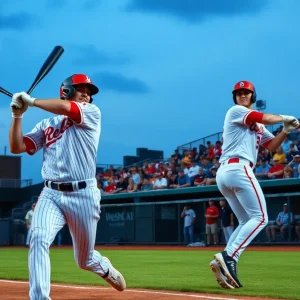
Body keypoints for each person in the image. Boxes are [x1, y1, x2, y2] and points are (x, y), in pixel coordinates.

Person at [9, 74, 126, 299]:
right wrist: (17, 115)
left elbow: (65, 109)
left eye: (89, 92)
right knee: (38, 238)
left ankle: (103, 266)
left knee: (84, 260)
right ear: (66, 90)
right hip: (51, 193)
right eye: (81, 89)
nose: (87, 95)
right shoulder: (46, 124)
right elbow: (17, 146)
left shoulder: (92, 112)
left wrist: (32, 101)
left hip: (83, 194)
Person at [209, 80, 299, 290]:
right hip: (238, 168)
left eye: (246, 93)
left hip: (227, 172)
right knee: (261, 218)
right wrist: (284, 117)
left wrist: (285, 130)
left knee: (245, 220)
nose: (242, 95)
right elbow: (265, 117)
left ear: (252, 95)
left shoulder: (256, 125)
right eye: (239, 93)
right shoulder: (236, 111)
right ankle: (229, 256)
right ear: (235, 97)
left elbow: (271, 146)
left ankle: (221, 263)